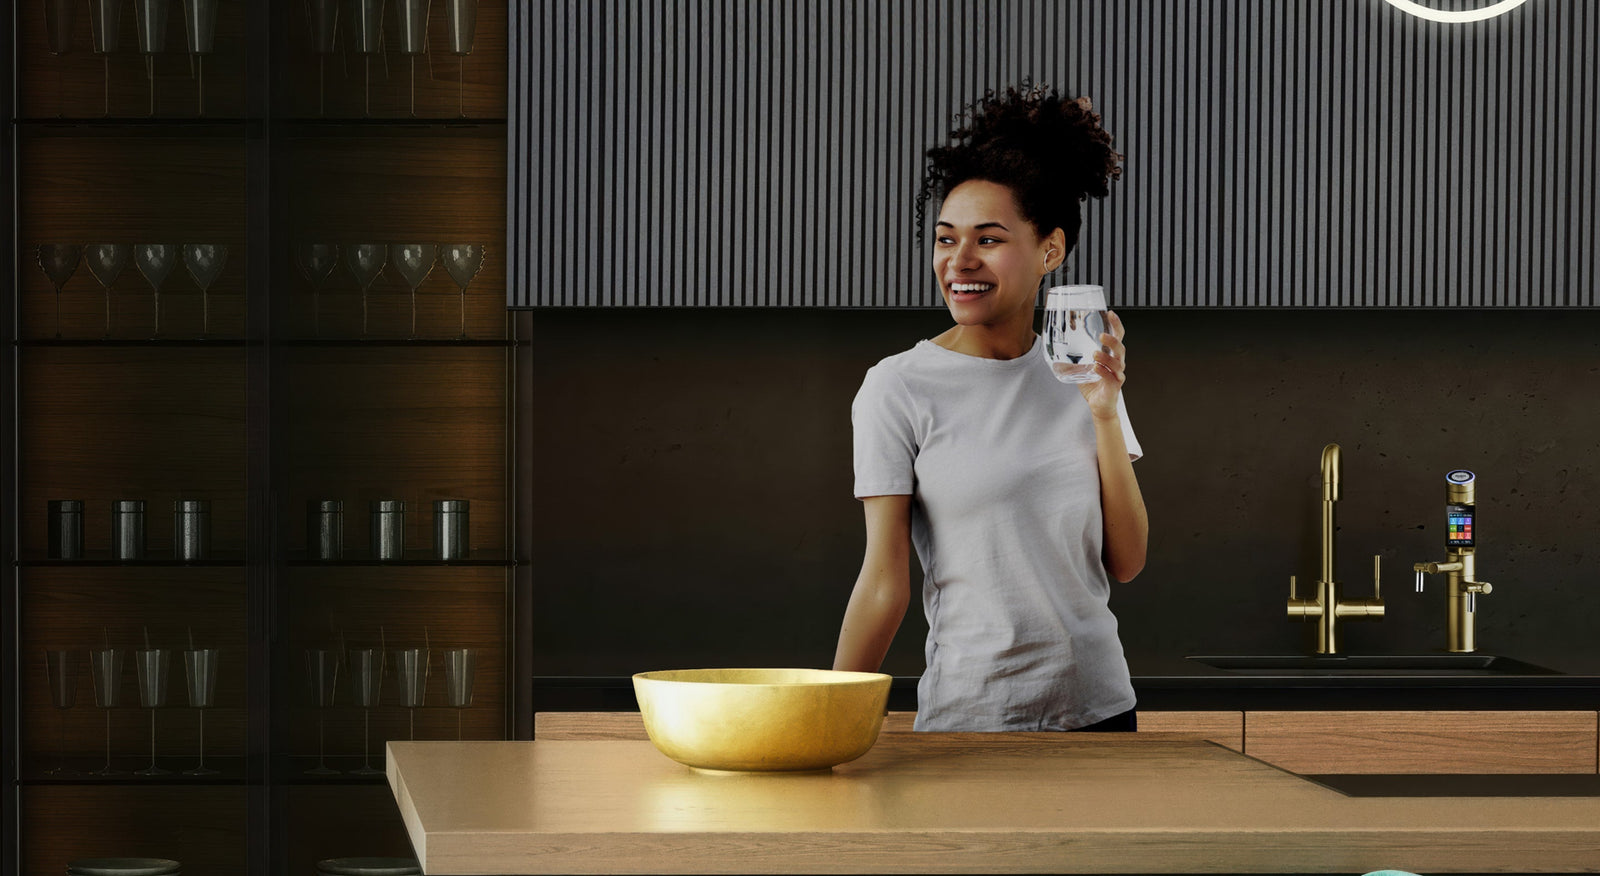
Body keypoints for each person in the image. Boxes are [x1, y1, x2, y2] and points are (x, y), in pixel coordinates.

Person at [831, 83, 1148, 732]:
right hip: (972, 722)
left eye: (989, 239)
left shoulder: (1082, 375)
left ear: (1050, 250)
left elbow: (1127, 561)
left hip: (1102, 715)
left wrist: (1105, 412)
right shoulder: (898, 387)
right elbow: (884, 583)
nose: (960, 261)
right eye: (946, 240)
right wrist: (824, 725)